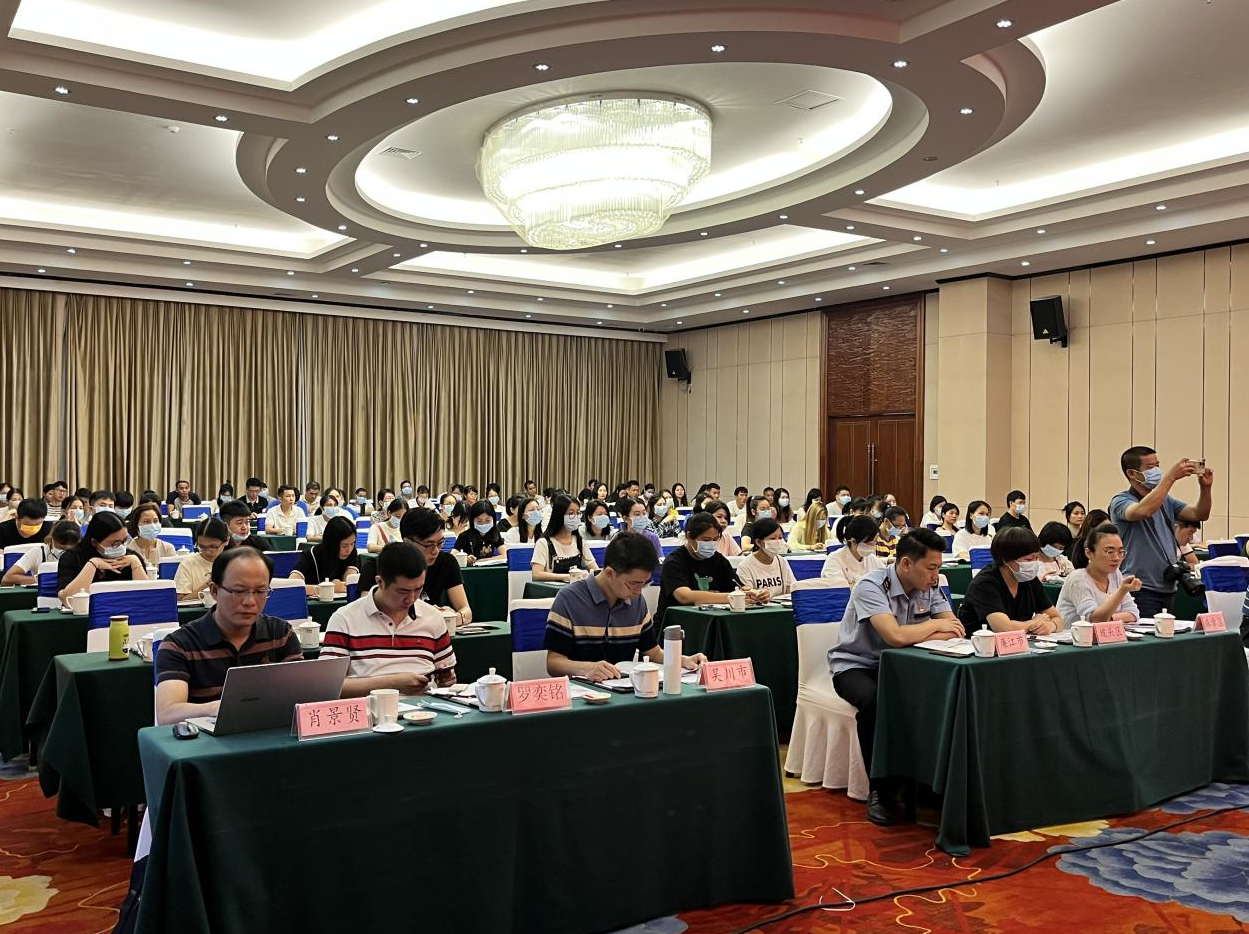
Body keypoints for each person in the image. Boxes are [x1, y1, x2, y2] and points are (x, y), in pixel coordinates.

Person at [830, 528, 962, 825]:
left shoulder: (931, 585)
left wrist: (923, 630)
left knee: (944, 695)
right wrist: (932, 626)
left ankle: (927, 783)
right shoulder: (871, 585)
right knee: (876, 701)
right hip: (859, 666)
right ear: (906, 564)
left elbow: (954, 628)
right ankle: (881, 790)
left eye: (938, 568)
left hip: (908, 666)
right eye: (931, 568)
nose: (936, 576)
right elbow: (894, 636)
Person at [154, 548, 303, 724]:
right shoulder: (179, 645)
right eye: (239, 591)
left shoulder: (281, 634)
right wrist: (216, 709)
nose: (250, 602)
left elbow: (300, 695)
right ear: (214, 591)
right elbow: (167, 714)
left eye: (260, 591)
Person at [544, 531, 707, 681]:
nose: (638, 592)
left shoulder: (636, 601)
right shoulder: (569, 599)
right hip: (581, 691)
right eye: (633, 584)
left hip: (623, 687)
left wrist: (683, 660)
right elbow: (554, 663)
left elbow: (653, 652)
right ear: (609, 573)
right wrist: (586, 669)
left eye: (643, 584)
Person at [321, 542, 456, 697]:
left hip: (425, 707)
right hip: (370, 708)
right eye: (403, 591)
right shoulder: (345, 619)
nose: (411, 598)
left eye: (418, 589)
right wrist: (392, 684)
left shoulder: (432, 617)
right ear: (380, 582)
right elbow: (328, 687)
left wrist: (446, 679)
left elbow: (448, 674)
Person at [1110, 446, 1213, 618]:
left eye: (1158, 466)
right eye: (1150, 467)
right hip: (1139, 588)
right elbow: (1143, 510)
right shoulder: (1120, 501)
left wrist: (1206, 488)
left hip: (1168, 587)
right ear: (1132, 474)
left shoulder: (1166, 500)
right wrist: (1171, 477)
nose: (1157, 471)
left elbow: (1199, 514)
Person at [956, 527, 1061, 634]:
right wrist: (1034, 623)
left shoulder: (1028, 578)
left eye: (1037, 558)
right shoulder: (985, 583)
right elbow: (1004, 628)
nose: (1034, 563)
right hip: (978, 642)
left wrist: (1051, 625)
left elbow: (1056, 617)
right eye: (1029, 559)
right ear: (1005, 560)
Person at [657, 512, 762, 620]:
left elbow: (737, 587)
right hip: (679, 621)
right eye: (706, 540)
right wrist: (730, 597)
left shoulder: (718, 560)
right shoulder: (674, 561)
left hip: (715, 619)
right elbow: (684, 596)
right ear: (689, 536)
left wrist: (753, 593)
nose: (711, 544)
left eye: (715, 539)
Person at [1056, 524, 1141, 627]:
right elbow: (1094, 620)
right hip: (1074, 636)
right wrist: (1122, 591)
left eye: (1120, 552)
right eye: (1109, 551)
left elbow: (1133, 613)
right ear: (1089, 553)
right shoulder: (1078, 579)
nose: (1116, 558)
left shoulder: (1115, 575)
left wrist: (1110, 618)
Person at [57, 511, 149, 600]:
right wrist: (92, 564)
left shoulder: (131, 558)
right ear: (94, 542)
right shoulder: (72, 558)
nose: (121, 546)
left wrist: (136, 563)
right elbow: (67, 599)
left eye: (124, 541)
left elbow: (147, 599)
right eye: (115, 543)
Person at [531, 494, 599, 582]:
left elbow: (595, 569)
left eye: (578, 513)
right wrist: (567, 577)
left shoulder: (579, 542)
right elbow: (536, 574)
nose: (575, 517)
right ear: (559, 515)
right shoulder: (544, 543)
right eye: (571, 513)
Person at [291, 515, 360, 597]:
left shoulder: (352, 552)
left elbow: (349, 582)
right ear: (332, 543)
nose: (349, 550)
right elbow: (292, 586)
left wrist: (346, 584)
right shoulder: (312, 555)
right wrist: (325, 589)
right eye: (344, 546)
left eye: (352, 544)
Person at [2, 520, 81, 586]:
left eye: (69, 550)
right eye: (61, 548)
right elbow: (7, 579)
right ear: (52, 539)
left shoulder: (81, 554)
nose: (65, 552)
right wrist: (41, 579)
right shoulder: (37, 552)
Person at [735, 518, 794, 598]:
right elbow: (748, 596)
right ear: (758, 542)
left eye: (780, 538)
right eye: (772, 538)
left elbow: (790, 589)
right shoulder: (745, 566)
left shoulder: (782, 561)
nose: (778, 542)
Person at [174, 518, 230, 602]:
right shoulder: (188, 564)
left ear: (227, 541)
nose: (207, 552)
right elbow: (180, 600)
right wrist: (209, 584)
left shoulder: (233, 563)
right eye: (202, 546)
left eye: (213, 547)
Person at [821, 515, 884, 587]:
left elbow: (885, 581)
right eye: (870, 543)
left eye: (876, 541)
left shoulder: (871, 559)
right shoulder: (834, 560)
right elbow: (838, 589)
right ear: (853, 541)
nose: (874, 545)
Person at [128, 502, 177, 569]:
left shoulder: (168, 548)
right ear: (136, 525)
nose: (152, 525)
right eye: (146, 521)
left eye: (155, 521)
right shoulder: (127, 548)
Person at [620, 496, 662, 561]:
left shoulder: (652, 537)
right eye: (637, 514)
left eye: (644, 513)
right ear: (625, 518)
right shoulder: (618, 539)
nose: (642, 517)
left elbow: (659, 561)